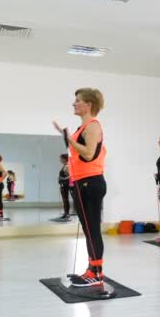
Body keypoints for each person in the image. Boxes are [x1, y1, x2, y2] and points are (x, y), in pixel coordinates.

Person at [53, 87, 107, 287]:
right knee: (88, 228)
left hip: (91, 183)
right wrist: (67, 137)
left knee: (92, 229)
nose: (73, 103)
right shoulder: (81, 128)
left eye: (77, 100)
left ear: (88, 105)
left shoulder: (93, 126)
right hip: (82, 182)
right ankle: (91, 269)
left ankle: (97, 272)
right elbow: (78, 153)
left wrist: (68, 140)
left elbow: (88, 154)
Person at [58, 153, 71, 220]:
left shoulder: (67, 166)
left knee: (65, 200)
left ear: (64, 159)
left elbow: (70, 176)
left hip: (65, 185)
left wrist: (63, 179)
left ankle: (67, 213)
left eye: (61, 159)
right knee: (64, 200)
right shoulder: (64, 166)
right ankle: (66, 213)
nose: (60, 160)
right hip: (63, 185)